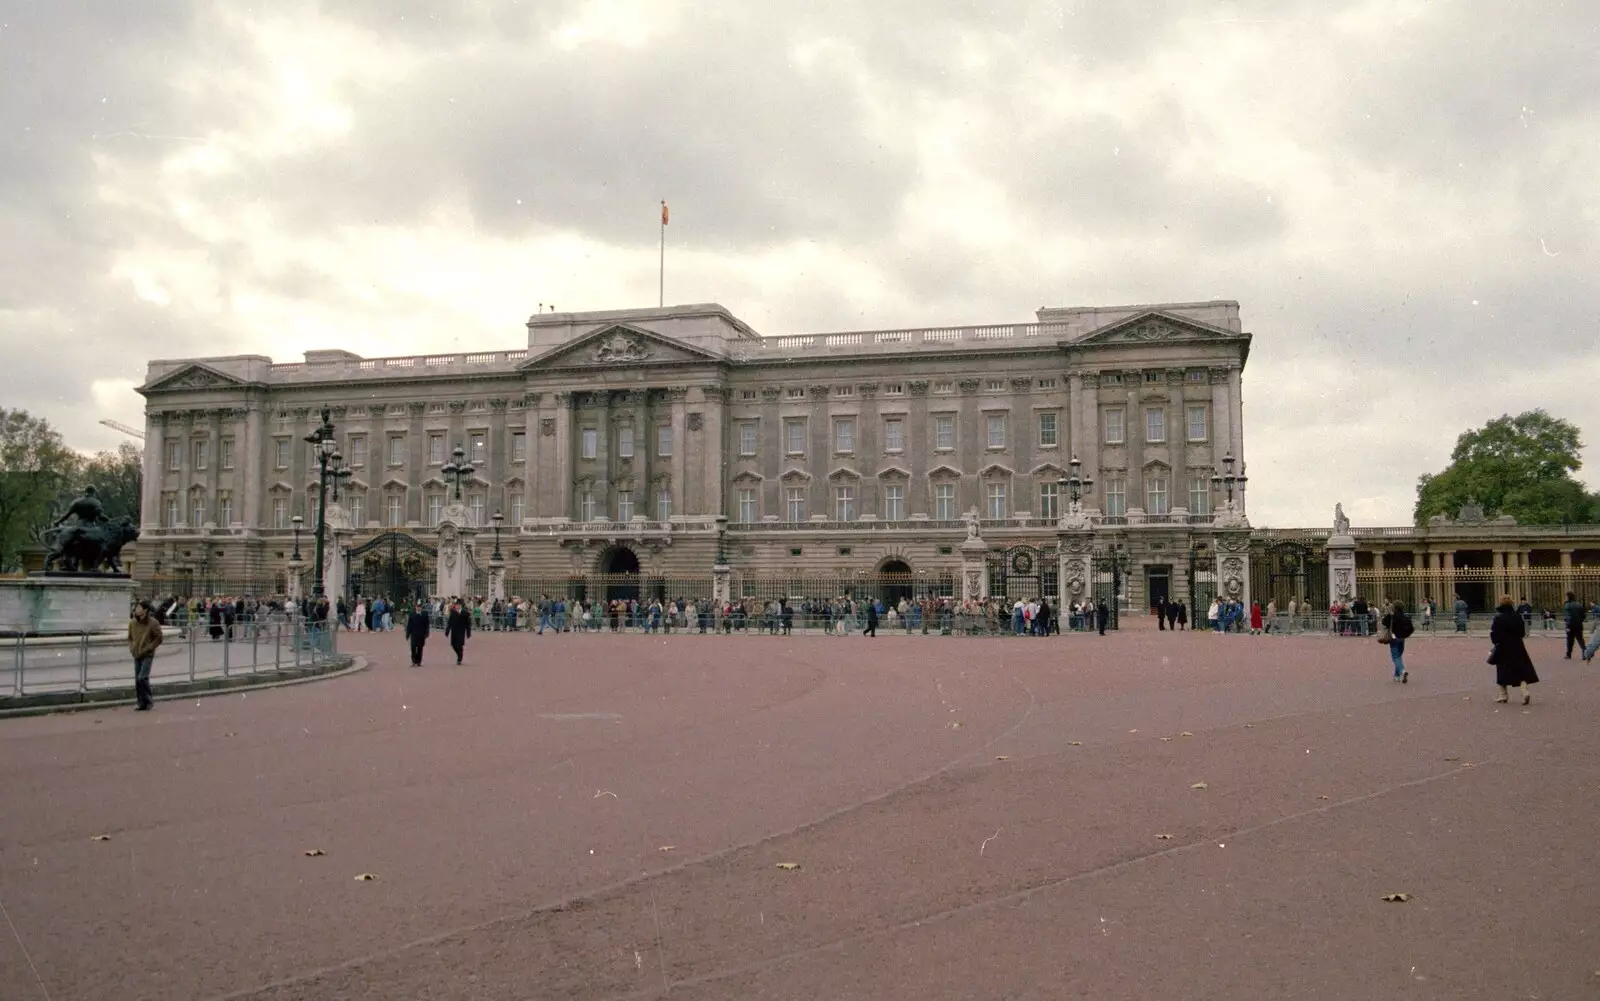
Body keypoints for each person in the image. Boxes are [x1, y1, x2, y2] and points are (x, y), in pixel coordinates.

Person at [1490, 595, 1538, 705]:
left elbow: (1494, 634)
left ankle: (1503, 695)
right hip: (1517, 646)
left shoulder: (1499, 618)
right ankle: (1525, 691)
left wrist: (1496, 642)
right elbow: (1522, 632)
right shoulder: (1517, 616)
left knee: (1502, 670)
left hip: (1503, 646)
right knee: (1520, 670)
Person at [128, 598, 163, 711]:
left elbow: (159, 637)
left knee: (142, 677)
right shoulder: (133, 623)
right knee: (137, 679)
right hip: (136, 653)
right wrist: (132, 647)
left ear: (145, 610)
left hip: (147, 654)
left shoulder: (153, 623)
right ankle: (141, 702)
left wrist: (150, 647)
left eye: (139, 607)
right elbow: (129, 637)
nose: (136, 609)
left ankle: (148, 700)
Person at [1380, 600, 1414, 683]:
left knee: (1395, 657)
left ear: (1394, 607)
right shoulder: (1405, 617)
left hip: (1393, 638)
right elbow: (1411, 628)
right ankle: (1397, 676)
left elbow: (1383, 622)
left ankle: (1402, 671)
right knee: (1398, 656)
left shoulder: (1392, 616)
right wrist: (1405, 635)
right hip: (1402, 638)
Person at [445, 599, 472, 665]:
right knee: (453, 645)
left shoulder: (465, 613)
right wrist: (447, 631)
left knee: (460, 645)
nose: (457, 606)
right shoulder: (453, 613)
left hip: (461, 631)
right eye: (456, 605)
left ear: (461, 605)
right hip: (454, 631)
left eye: (458, 605)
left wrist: (468, 633)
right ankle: (459, 654)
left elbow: (468, 624)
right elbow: (450, 622)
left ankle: (459, 658)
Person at [1562, 591, 1586, 659]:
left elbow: (1567, 616)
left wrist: (1567, 623)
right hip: (1579, 625)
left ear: (1568, 597)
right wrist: (1580, 621)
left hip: (1570, 626)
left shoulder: (1567, 605)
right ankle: (1585, 654)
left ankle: (1568, 655)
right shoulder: (1579, 604)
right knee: (1580, 640)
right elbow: (1583, 615)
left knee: (1569, 640)